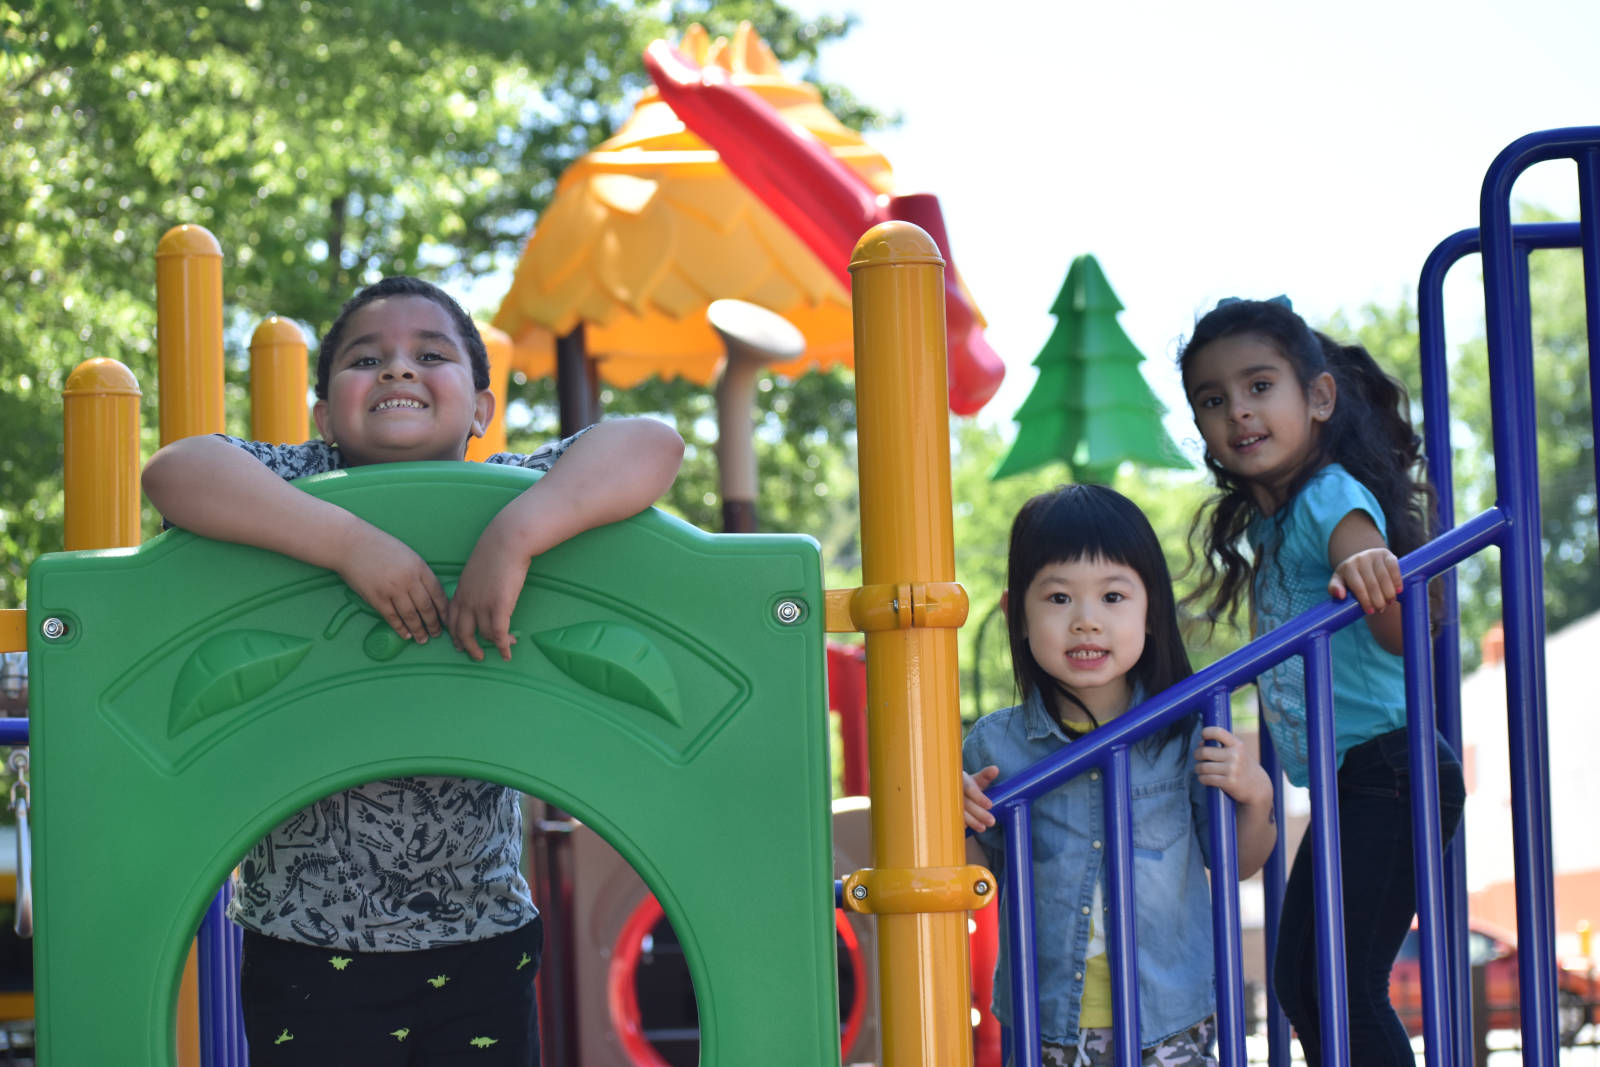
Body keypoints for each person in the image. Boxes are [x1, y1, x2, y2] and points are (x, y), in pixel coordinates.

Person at [143, 275, 685, 1065]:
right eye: (367, 358)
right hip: (304, 932)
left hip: (480, 929)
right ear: (325, 416)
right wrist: (347, 543)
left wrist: (517, 533)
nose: (398, 368)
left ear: (480, 409)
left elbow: (654, 444)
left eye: (430, 355)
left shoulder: (511, 489)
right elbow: (175, 472)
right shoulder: (298, 483)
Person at [1177, 296, 1466, 1066]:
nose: (1239, 410)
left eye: (1259, 385)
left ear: (1319, 397)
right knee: (1304, 983)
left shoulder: (1330, 496)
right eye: (1213, 399)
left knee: (1340, 986)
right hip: (1356, 782)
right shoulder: (1270, 526)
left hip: (1392, 771)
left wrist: (1372, 568)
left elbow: (1401, 632)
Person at [962, 484, 1277, 1067]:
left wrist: (1257, 798)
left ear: (1151, 611)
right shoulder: (995, 745)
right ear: (1017, 614)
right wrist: (951, 820)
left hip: (1170, 1018)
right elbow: (975, 876)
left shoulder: (1184, 732)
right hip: (1046, 1023)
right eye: (1059, 598)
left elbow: (1237, 862)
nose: (1086, 622)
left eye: (1112, 596)